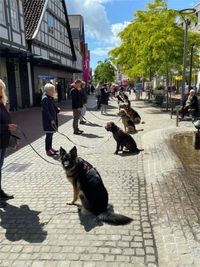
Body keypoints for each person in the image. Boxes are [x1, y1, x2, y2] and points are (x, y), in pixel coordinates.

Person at [0, 79, 17, 204]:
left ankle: (0, 192)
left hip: (3, 140)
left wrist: (8, 125)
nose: (3, 91)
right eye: (1, 88)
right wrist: (6, 127)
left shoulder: (1, 103)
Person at [41, 83, 60, 156]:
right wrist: (51, 119)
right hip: (48, 121)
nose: (54, 92)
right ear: (48, 91)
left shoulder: (49, 97)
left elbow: (53, 107)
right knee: (48, 135)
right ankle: (48, 150)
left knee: (51, 135)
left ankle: (50, 148)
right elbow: (46, 111)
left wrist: (57, 110)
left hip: (52, 120)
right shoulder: (45, 98)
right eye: (53, 90)